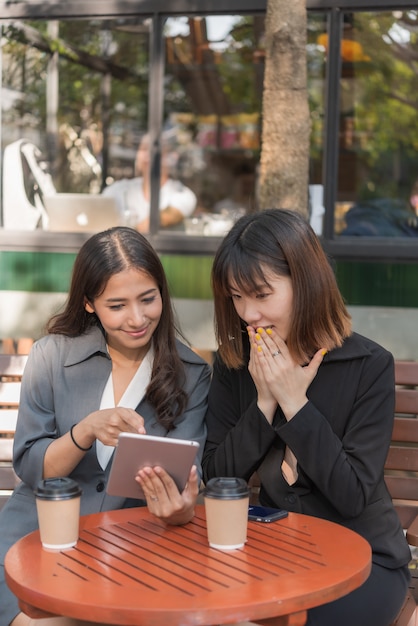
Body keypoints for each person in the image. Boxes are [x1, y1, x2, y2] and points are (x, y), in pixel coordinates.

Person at [202, 208, 411, 626]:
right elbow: (217, 479)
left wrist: (295, 403)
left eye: (261, 295)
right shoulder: (236, 364)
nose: (248, 314)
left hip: (362, 562)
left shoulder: (368, 365)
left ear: (307, 284)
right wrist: (264, 403)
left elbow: (352, 496)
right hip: (271, 556)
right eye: (237, 297)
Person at [0, 226, 211, 626]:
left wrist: (180, 510)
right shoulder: (52, 356)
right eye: (117, 305)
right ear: (89, 303)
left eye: (148, 299)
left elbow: (182, 480)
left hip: (128, 555)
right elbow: (30, 468)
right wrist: (85, 430)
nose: (137, 318)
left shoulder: (192, 375)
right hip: (35, 540)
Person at [102, 133, 197, 232]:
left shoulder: (183, 194)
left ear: (171, 158)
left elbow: (161, 219)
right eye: (144, 149)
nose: (148, 156)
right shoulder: (117, 189)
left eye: (155, 151)